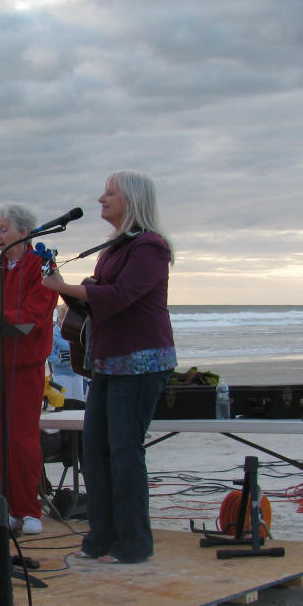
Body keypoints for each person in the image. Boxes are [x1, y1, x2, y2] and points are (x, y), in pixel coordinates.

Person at [44, 171, 175, 564]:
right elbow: (95, 300)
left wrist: (62, 289)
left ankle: (134, 544)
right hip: (107, 362)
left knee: (124, 452)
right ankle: (100, 538)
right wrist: (63, 286)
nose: (101, 199)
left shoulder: (150, 246)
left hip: (140, 362)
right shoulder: (116, 248)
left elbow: (118, 297)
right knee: (95, 452)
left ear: (131, 200)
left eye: (110, 193)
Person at [0, 205, 57, 534]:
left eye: (3, 229)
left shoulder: (41, 264)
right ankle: (9, 507)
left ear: (23, 233)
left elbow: (36, 312)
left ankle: (30, 509)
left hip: (26, 363)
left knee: (22, 438)